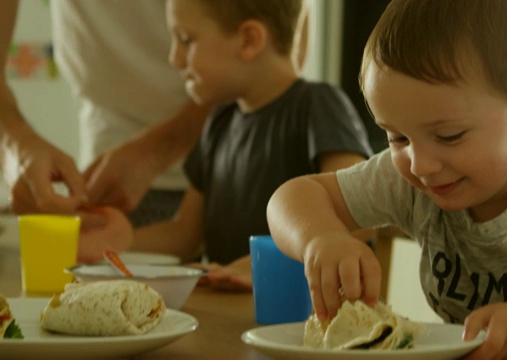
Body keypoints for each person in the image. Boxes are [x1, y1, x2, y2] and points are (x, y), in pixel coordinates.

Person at [266, 0, 507, 358]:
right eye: (397, 137)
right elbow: (293, 196)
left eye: (449, 136)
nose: (421, 164)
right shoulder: (416, 177)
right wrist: (321, 237)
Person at [79, 0, 373, 291]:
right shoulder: (219, 121)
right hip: (228, 318)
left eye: (186, 40)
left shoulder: (319, 106)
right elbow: (186, 236)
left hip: (298, 323)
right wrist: (122, 240)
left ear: (249, 40)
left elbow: (360, 218)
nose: (175, 59)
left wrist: (252, 266)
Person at [0, 0, 214, 227]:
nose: (176, 59)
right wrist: (17, 147)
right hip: (101, 176)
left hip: (213, 167)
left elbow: (245, 60)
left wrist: (158, 150)